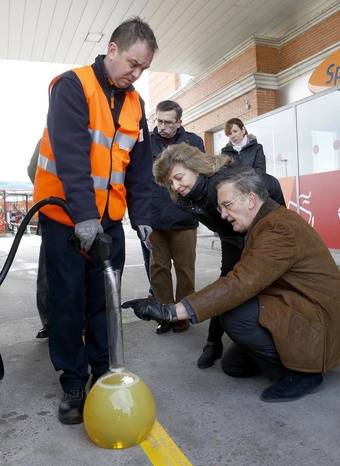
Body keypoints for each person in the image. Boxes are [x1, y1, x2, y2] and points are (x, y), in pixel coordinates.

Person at [123, 166, 340, 403]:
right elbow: (237, 281)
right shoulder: (265, 221)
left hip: (319, 319)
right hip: (295, 302)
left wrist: (171, 312)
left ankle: (305, 373)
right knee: (233, 365)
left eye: (227, 206)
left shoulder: (279, 228)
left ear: (251, 199)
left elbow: (240, 283)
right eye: (220, 208)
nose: (223, 215)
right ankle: (284, 356)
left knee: (236, 317)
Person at [33, 17, 158, 424]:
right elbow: (70, 155)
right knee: (68, 302)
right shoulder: (72, 86)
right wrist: (84, 219)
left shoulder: (136, 104)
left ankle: (103, 371)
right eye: (133, 63)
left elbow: (139, 167)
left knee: (104, 300)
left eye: (143, 68)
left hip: (109, 218)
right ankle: (73, 379)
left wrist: (142, 217)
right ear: (112, 50)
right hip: (65, 216)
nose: (136, 73)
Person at [152, 142, 285, 368]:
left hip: (261, 235)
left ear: (194, 166)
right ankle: (213, 343)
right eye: (170, 183)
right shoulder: (187, 197)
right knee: (226, 285)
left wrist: (278, 218)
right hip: (231, 239)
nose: (175, 186)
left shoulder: (223, 179)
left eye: (178, 177)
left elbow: (270, 182)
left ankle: (280, 343)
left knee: (264, 286)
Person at [148, 100, 205, 334]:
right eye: (159, 121)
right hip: (155, 219)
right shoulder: (145, 142)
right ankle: (165, 315)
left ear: (179, 122)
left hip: (184, 218)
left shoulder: (193, 142)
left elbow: (202, 176)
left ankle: (181, 315)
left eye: (168, 122)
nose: (162, 126)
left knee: (184, 270)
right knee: (158, 270)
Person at [27, 139, 49, 339]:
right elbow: (33, 168)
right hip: (56, 215)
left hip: (55, 215)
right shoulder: (45, 140)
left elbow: (32, 169)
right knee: (48, 274)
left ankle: (49, 322)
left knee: (49, 273)